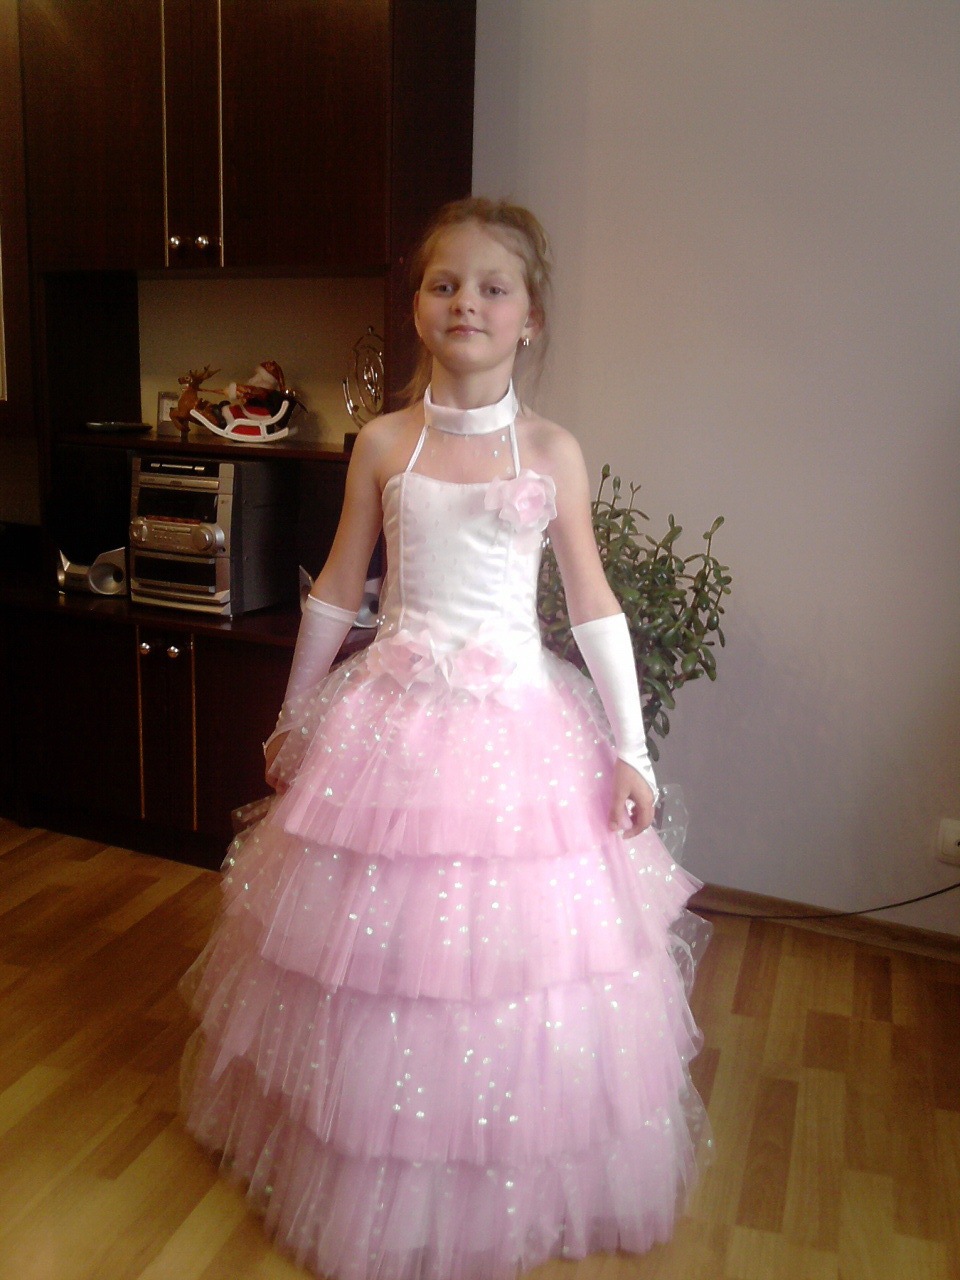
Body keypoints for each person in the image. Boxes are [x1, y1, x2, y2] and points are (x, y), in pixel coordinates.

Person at [180, 197, 709, 1280]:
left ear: (530, 317)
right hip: (391, 725)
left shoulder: (552, 449)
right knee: (377, 956)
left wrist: (632, 749)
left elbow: (592, 603)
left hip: (519, 728)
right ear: (417, 306)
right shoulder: (384, 441)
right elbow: (340, 587)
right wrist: (293, 716)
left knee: (517, 962)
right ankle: (367, 1155)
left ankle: (494, 1158)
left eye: (493, 287)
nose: (467, 301)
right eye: (444, 283)